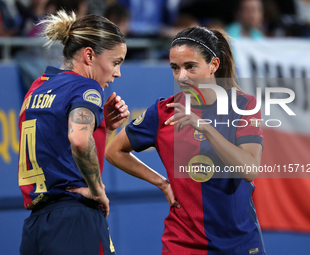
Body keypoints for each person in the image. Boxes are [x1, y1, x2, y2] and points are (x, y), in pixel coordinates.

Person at [105, 27, 266, 254]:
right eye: (175, 68)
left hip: (239, 242)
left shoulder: (244, 107)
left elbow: (249, 169)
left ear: (214, 65)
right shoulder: (163, 112)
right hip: (183, 244)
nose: (182, 76)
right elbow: (114, 151)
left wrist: (205, 128)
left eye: (190, 66)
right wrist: (161, 183)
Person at [18, 10, 129, 255]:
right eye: (116, 62)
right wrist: (98, 189)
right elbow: (79, 140)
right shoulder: (86, 86)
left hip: (36, 226)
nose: (118, 73)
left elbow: (62, 153)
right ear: (89, 55)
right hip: (74, 219)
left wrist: (105, 130)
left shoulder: (38, 87)